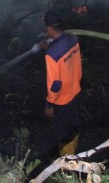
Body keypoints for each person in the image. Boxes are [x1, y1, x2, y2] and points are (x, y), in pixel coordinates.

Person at [33, 9, 83, 157]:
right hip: (76, 91)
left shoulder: (52, 55)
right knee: (74, 126)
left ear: (49, 28)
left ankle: (68, 164)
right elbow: (61, 48)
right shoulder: (73, 39)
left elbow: (55, 84)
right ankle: (75, 151)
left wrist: (50, 105)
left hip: (62, 101)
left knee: (64, 133)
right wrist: (44, 45)